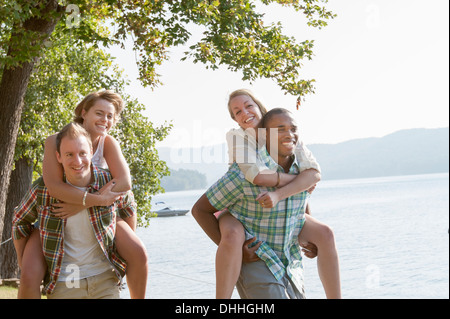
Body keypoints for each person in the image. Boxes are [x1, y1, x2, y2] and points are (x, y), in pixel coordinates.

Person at [207, 89, 341, 299]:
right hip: (238, 206)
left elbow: (311, 177)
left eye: (248, 105)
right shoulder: (238, 138)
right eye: (237, 112)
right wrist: (298, 181)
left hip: (278, 214)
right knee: (232, 236)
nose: (245, 112)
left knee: (325, 233)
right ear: (235, 120)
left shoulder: (286, 133)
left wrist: (305, 233)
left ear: (259, 106)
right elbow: (256, 176)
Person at [16, 90, 148, 299]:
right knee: (29, 276)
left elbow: (124, 183)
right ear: (83, 112)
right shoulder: (56, 141)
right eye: (99, 113)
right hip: (58, 214)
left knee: (138, 252)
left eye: (110, 116)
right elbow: (53, 187)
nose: (105, 119)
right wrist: (94, 199)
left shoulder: (108, 142)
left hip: (101, 212)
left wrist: (85, 204)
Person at [193, 108, 317, 298]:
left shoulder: (300, 171)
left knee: (326, 233)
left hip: (290, 266)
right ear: (265, 134)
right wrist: (236, 252)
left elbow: (301, 207)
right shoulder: (244, 173)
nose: (288, 134)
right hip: (257, 260)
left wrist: (311, 239)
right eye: (280, 129)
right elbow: (200, 210)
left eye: (292, 128)